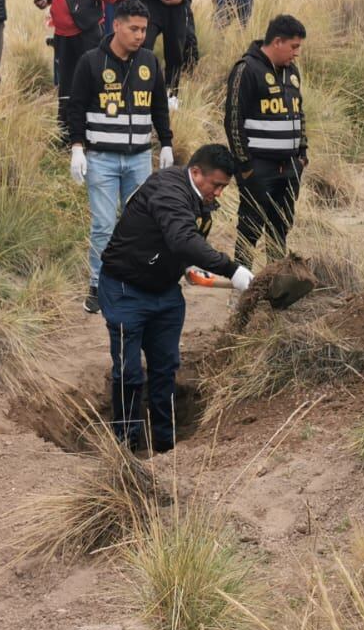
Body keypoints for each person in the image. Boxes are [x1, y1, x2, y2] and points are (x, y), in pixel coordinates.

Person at [98, 143, 253, 454]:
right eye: (217, 185)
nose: (219, 193)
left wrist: (184, 267)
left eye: (224, 187)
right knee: (129, 372)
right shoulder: (168, 189)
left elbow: (182, 242)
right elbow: (182, 238)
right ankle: (126, 450)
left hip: (165, 294)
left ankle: (166, 449)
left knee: (165, 369)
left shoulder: (198, 196)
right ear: (196, 172)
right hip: (125, 289)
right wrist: (232, 269)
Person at [66, 0, 172, 314]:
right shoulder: (90, 62)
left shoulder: (150, 63)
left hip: (139, 158)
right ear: (116, 25)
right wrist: (76, 147)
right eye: (133, 28)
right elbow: (76, 108)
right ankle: (99, 285)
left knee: (139, 224)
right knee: (103, 224)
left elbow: (159, 107)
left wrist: (166, 142)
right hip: (101, 159)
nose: (140, 35)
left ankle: (134, 282)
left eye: (144, 29)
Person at [224, 15, 307, 269]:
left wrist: (302, 155)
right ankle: (242, 290)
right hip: (258, 169)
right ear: (277, 42)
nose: (296, 54)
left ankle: (275, 289)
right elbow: (233, 121)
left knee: (279, 228)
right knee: (249, 229)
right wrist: (246, 167)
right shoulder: (246, 69)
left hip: (289, 169)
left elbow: (299, 113)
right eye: (293, 47)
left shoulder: (292, 73)